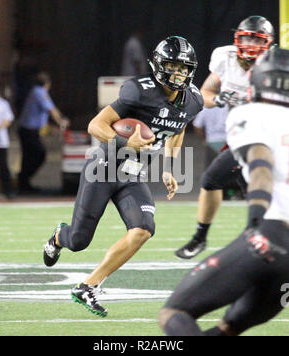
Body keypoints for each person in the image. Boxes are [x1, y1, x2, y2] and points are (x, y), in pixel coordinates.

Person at [43, 36, 203, 317]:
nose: (178, 73)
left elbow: (177, 127)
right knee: (78, 241)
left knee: (143, 228)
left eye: (183, 67)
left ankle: (89, 286)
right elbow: (96, 125)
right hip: (103, 168)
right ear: (157, 65)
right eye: (172, 66)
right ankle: (58, 237)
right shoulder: (139, 92)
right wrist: (127, 143)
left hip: (133, 173)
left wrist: (169, 166)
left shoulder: (193, 100)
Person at [160, 46, 289, 337]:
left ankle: (203, 235)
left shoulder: (251, 113)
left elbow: (260, 166)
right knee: (227, 329)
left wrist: (255, 221)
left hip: (272, 232)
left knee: (174, 313)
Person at [175, 15, 274, 259]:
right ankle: (201, 237)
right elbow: (205, 93)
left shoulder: (276, 65)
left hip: (269, 141)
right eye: (247, 38)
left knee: (262, 196)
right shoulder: (225, 58)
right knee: (212, 181)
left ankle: (263, 241)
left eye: (256, 39)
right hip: (239, 140)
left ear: (268, 44)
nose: (250, 44)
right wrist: (219, 99)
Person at [17, 72, 69, 194]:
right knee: (40, 154)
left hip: (27, 129)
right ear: (47, 84)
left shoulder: (34, 91)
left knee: (28, 157)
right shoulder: (40, 92)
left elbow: (39, 116)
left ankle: (24, 184)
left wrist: (52, 127)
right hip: (29, 130)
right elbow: (51, 109)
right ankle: (23, 178)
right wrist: (61, 121)